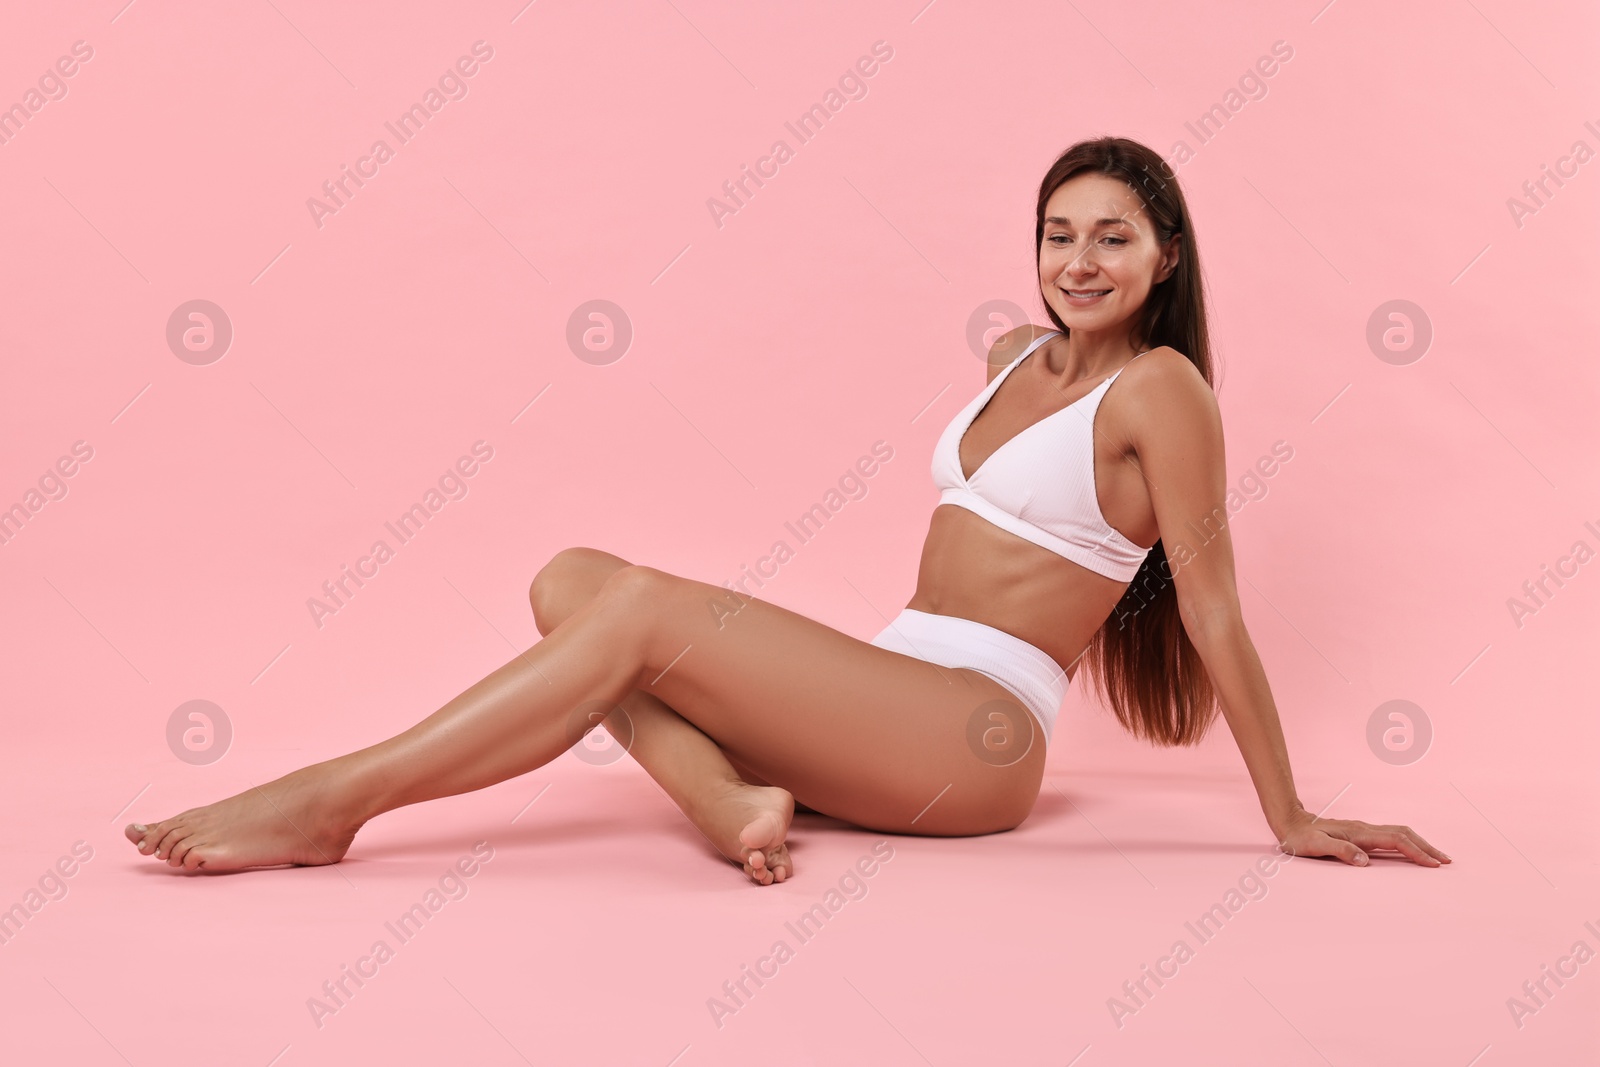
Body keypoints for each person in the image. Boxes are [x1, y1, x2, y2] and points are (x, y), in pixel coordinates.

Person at [124, 136, 1449, 885]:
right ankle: (726, 794)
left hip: (980, 734)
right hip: (891, 685)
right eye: (1058, 233)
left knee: (629, 613)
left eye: (1111, 237)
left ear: (1166, 256)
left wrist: (1291, 811)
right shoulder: (1006, 357)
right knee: (574, 576)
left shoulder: (1167, 391)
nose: (1078, 262)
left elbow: (1212, 606)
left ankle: (340, 802)